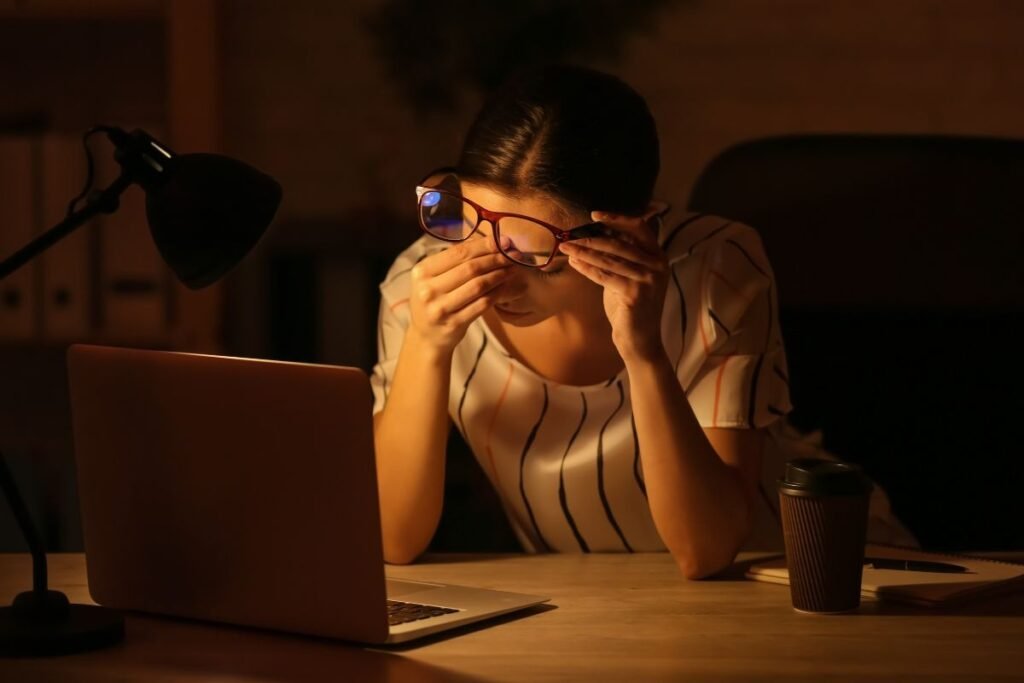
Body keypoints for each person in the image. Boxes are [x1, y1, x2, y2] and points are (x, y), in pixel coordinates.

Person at [370, 64, 915, 578]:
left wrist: (645, 352)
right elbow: (392, 539)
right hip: (598, 608)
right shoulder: (420, 285)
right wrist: (428, 343)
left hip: (804, 577)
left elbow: (708, 551)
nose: (495, 278)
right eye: (473, 227)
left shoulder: (716, 270)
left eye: (539, 258)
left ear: (631, 229)